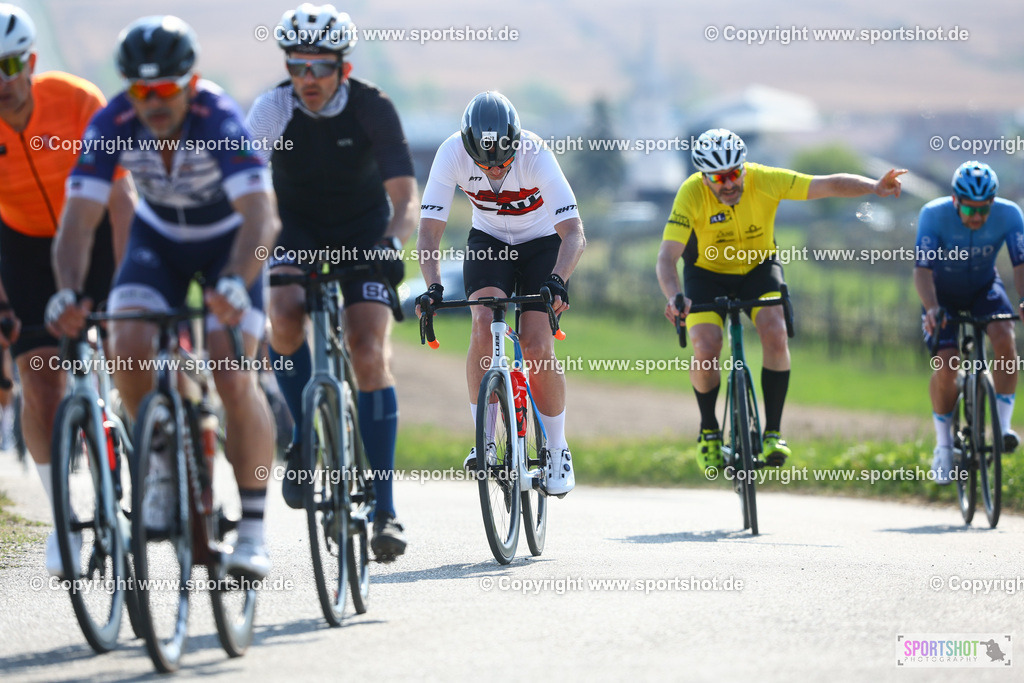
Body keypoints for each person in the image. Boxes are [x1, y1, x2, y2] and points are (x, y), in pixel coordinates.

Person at [47, 15, 280, 578]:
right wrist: (70, 294)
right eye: (140, 89)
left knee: (231, 371)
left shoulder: (219, 119)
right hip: (159, 240)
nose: (152, 102)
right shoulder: (114, 121)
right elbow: (78, 224)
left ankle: (252, 529)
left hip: (229, 241)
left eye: (165, 90)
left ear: (190, 82)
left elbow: (261, 219)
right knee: (125, 338)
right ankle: (158, 455)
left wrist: (233, 280)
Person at [246, 4, 417, 562]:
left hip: (364, 233)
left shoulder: (373, 106)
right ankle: (300, 440)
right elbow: (249, 187)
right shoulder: (272, 109)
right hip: (295, 230)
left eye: (320, 67)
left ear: (342, 68)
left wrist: (392, 242)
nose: (308, 79)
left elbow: (404, 197)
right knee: (285, 313)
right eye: (297, 67)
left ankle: (386, 509)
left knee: (368, 352)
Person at [656, 128, 905, 471]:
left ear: (743, 168)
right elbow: (667, 258)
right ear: (704, 177)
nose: (728, 183)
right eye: (718, 178)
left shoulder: (765, 179)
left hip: (759, 269)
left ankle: (773, 432)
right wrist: (674, 297)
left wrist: (874, 186)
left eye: (734, 174)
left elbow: (827, 184)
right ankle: (709, 430)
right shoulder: (690, 194)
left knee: (774, 329)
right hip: (706, 273)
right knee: (706, 344)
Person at [0, 3, 134, 576]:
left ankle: (149, 440)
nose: (0, 82)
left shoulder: (77, 100)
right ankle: (63, 520)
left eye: (7, 65)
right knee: (39, 378)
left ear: (29, 61)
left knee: (132, 342)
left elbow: (123, 199)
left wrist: (129, 287)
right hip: (25, 243)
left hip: (97, 230)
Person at [418, 91, 586, 497]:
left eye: (504, 163)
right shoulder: (450, 153)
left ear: (517, 143)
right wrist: (433, 286)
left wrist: (559, 279)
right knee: (482, 320)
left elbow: (575, 233)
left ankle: (558, 447)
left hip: (542, 243)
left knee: (535, 343)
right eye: (484, 164)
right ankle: (486, 439)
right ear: (467, 146)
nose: (494, 171)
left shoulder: (537, 153)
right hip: (489, 240)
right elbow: (428, 232)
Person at [915, 161, 1024, 484]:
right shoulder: (932, 215)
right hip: (941, 296)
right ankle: (944, 447)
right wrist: (932, 308)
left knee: (1005, 335)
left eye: (984, 210)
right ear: (955, 200)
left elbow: (1021, 265)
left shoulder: (1010, 214)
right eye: (970, 209)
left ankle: (1002, 427)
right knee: (947, 366)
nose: (977, 217)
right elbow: (922, 271)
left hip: (983, 289)